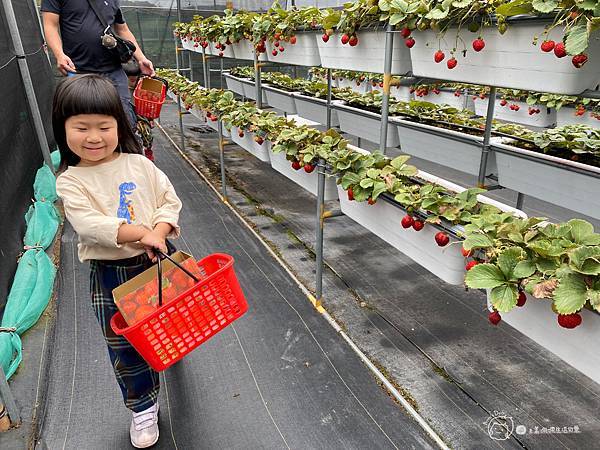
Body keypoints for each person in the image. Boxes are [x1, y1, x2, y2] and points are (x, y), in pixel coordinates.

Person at [54, 74, 182, 448]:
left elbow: (167, 198)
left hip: (157, 257)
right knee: (125, 344)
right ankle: (143, 406)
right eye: (81, 127)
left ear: (118, 125)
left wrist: (158, 231)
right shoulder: (71, 181)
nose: (93, 137)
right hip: (114, 272)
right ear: (63, 130)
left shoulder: (139, 164)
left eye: (103, 126)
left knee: (168, 318)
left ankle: (168, 347)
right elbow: (90, 225)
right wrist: (142, 233)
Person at [41, 0, 154, 128]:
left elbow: (122, 29)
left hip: (113, 71)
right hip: (78, 72)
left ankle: (124, 146)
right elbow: (50, 25)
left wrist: (141, 58)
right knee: (84, 121)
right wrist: (59, 54)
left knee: (124, 120)